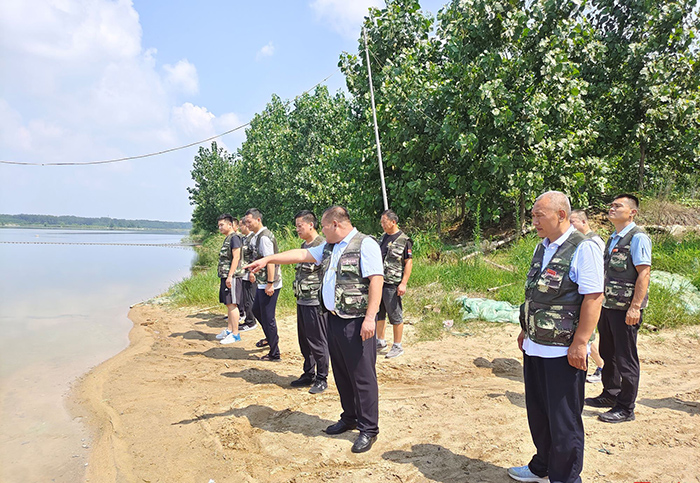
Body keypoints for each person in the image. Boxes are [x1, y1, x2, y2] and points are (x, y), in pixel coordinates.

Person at [246, 205, 384, 453]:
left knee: (362, 377)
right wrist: (267, 259)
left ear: (335, 225)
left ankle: (368, 429)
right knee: (341, 373)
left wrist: (370, 318)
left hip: (357, 322)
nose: (321, 230)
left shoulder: (366, 244)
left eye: (322, 225)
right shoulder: (330, 247)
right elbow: (300, 255)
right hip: (334, 319)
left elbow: (377, 280)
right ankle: (350, 417)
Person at [508, 191, 603, 483]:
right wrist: (526, 328)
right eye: (533, 215)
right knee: (539, 414)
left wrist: (581, 342)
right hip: (536, 346)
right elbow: (537, 293)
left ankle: (566, 477)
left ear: (561, 215)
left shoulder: (582, 248)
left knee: (564, 421)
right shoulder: (543, 247)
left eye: (539, 215)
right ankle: (543, 466)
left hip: (563, 351)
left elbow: (593, 297)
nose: (533, 220)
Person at [584, 194, 651, 423]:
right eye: (611, 205)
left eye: (617, 206)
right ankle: (610, 394)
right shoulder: (613, 237)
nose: (611, 209)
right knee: (608, 353)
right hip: (608, 305)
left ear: (632, 212)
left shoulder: (637, 238)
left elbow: (644, 273)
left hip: (625, 309)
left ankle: (626, 407)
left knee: (626, 359)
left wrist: (635, 307)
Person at [290, 210, 329, 394]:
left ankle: (322, 378)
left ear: (310, 225)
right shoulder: (303, 245)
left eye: (300, 225)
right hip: (302, 300)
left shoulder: (322, 245)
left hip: (315, 301)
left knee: (318, 341)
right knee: (304, 341)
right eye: (296, 226)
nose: (297, 229)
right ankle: (309, 373)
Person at [569, 209, 605, 383]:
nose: (570, 225)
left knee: (588, 336)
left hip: (592, 297)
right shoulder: (576, 242)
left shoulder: (592, 243)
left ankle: (602, 366)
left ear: (584, 222)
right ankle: (601, 366)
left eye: (573, 221)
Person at [244, 208, 282, 361]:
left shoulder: (265, 238)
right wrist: (252, 272)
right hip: (261, 282)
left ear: (258, 220)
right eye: (246, 222)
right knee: (257, 311)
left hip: (269, 283)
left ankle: (275, 353)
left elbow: (270, 261)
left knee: (268, 317)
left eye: (249, 221)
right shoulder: (255, 236)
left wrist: (270, 283)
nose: (247, 224)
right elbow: (257, 258)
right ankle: (270, 338)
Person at [376, 209, 413, 359]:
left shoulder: (404, 240)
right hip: (379, 282)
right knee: (379, 314)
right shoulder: (382, 238)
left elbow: (408, 262)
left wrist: (403, 283)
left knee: (395, 314)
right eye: (381, 223)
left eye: (384, 222)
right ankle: (380, 341)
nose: (382, 225)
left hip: (393, 283)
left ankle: (397, 345)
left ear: (393, 222)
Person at [214, 214, 243, 345]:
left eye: (222, 225)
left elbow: (236, 257)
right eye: (219, 225)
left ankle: (235, 334)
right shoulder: (228, 238)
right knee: (228, 303)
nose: (219, 227)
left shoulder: (235, 238)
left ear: (230, 225)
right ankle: (229, 330)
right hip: (225, 275)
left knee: (232, 304)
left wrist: (230, 275)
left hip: (232, 276)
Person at [237, 220, 258, 332]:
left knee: (250, 298)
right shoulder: (244, 238)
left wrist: (252, 272)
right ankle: (247, 318)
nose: (240, 228)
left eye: (241, 226)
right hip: (244, 272)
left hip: (250, 273)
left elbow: (255, 257)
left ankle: (251, 321)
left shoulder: (252, 238)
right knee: (245, 298)